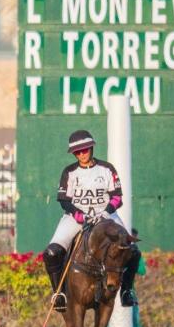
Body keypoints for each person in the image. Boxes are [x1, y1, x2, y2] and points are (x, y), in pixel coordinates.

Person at [42, 129, 140, 312]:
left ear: (91, 148)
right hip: (76, 217)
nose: (82, 154)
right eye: (77, 152)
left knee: (132, 250)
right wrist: (79, 215)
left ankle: (127, 291)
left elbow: (117, 197)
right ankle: (59, 293)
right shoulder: (69, 172)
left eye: (84, 150)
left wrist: (105, 212)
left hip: (106, 216)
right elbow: (64, 200)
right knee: (51, 253)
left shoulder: (107, 169)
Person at [106, 228, 145, 327]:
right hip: (112, 286)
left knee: (133, 319)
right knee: (106, 317)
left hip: (127, 286)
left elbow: (142, 270)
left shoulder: (134, 253)